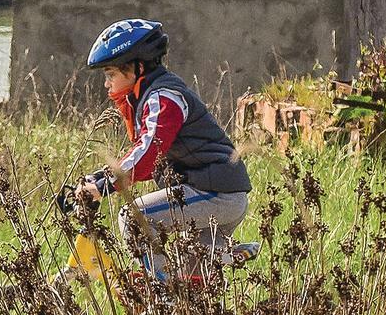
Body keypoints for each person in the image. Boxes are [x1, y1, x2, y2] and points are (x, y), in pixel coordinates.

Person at [75, 19, 253, 281]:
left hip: (216, 195)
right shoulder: (152, 95)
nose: (106, 84)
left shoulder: (163, 97)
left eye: (110, 74)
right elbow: (147, 155)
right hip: (221, 195)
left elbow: (149, 153)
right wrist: (101, 177)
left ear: (136, 68)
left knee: (134, 218)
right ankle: (209, 266)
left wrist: (104, 185)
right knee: (194, 282)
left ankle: (163, 293)